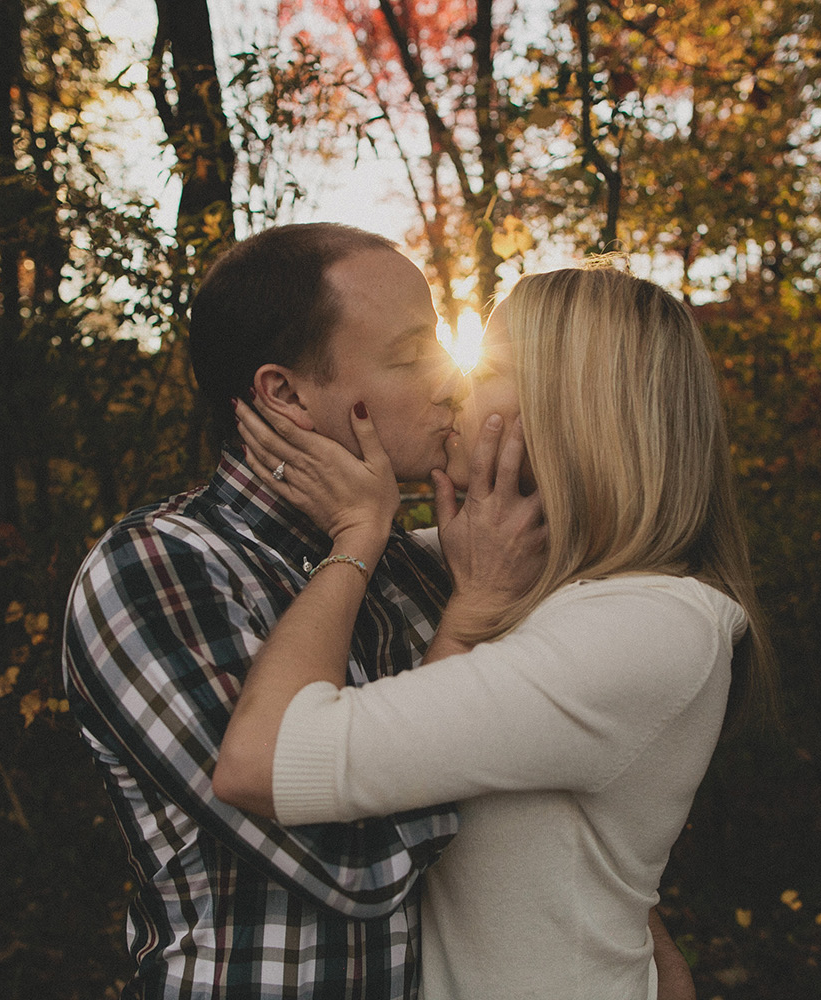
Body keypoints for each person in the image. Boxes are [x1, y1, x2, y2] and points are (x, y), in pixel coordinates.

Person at [213, 263, 779, 1000]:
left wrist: (359, 532)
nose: (451, 386)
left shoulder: (646, 625)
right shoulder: (517, 570)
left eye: (492, 367)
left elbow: (262, 759)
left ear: (581, 407)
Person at [61, 223, 472, 998]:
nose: (453, 380)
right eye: (413, 353)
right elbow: (354, 861)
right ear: (283, 395)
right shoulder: (155, 569)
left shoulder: (424, 569)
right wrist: (365, 545)